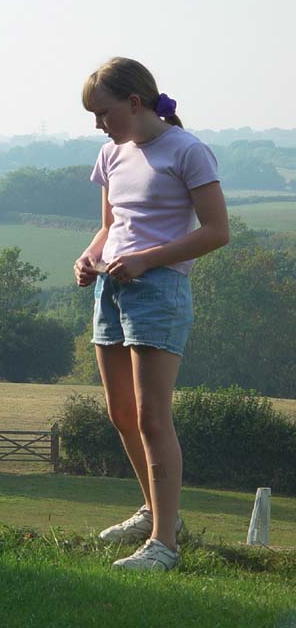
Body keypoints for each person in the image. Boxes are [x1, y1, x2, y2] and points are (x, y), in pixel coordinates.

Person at [74, 57, 229, 571]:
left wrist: (145, 260)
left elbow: (215, 232)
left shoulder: (187, 151)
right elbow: (110, 226)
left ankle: (164, 545)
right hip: (111, 291)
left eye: (103, 113)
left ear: (134, 103)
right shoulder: (111, 154)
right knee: (122, 415)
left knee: (152, 417)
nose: (98, 124)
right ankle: (156, 514)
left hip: (160, 289)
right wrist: (89, 256)